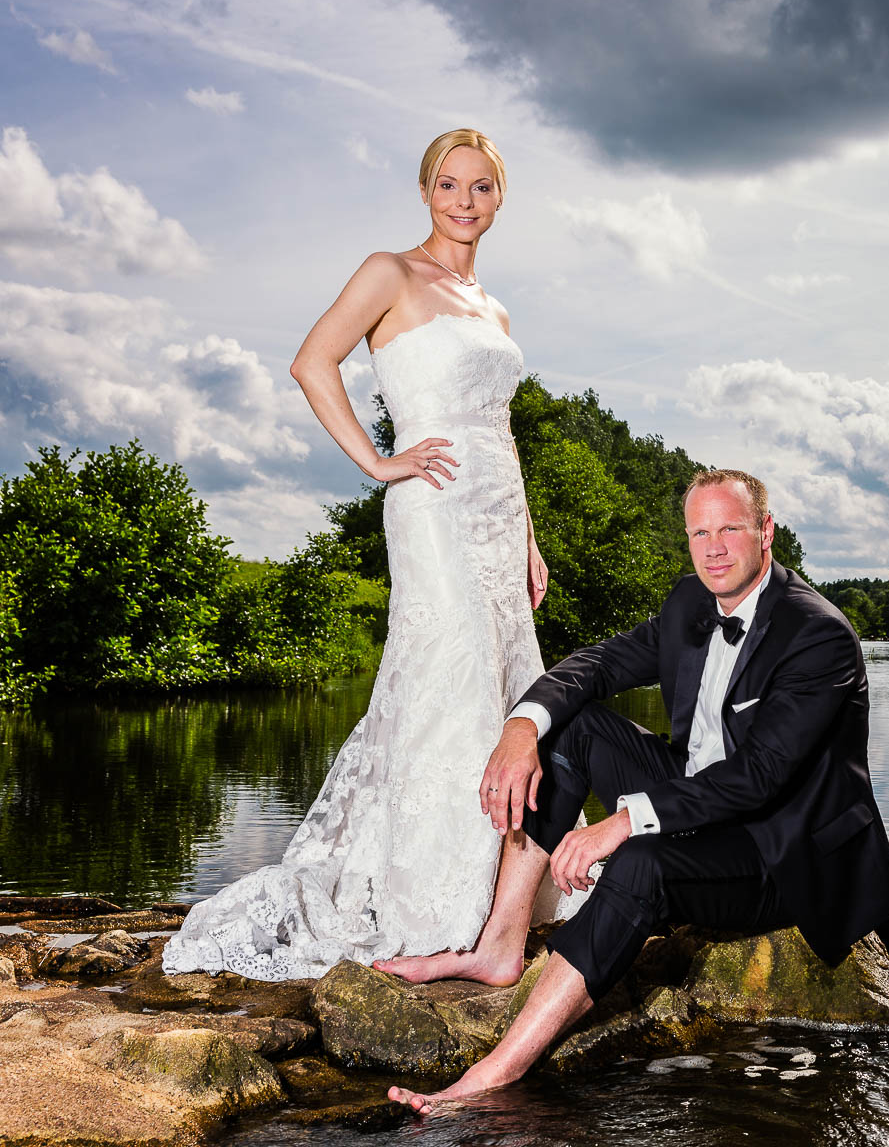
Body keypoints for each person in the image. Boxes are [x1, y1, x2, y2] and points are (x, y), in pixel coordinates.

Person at [163, 129, 584, 981]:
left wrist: (529, 539)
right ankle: (434, 902)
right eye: (447, 184)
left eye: (481, 188)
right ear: (424, 191)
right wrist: (381, 463)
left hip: (499, 516)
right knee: (448, 685)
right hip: (431, 508)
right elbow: (311, 362)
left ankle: (502, 903)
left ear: (501, 201)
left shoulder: (493, 308)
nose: (464, 201)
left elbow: (499, 433)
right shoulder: (389, 272)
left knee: (507, 689)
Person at [382, 468, 889, 1112]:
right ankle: (498, 948)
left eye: (731, 530)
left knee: (640, 862)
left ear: (766, 533)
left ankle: (498, 1070)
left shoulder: (818, 636)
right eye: (699, 532)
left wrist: (624, 820)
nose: (713, 547)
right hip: (699, 806)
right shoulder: (690, 603)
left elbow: (758, 778)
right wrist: (522, 724)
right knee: (572, 729)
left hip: (779, 850)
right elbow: (599, 664)